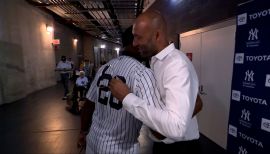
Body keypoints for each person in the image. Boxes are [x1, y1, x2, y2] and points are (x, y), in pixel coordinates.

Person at [109, 10, 201, 154]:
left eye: (138, 38)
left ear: (157, 35)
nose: (134, 43)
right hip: (163, 144)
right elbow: (196, 101)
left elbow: (177, 127)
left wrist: (127, 98)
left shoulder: (175, 64)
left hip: (180, 147)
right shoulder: (156, 61)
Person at [77, 27, 163, 154]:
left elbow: (88, 105)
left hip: (93, 142)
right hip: (120, 149)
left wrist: (83, 132)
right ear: (136, 42)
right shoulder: (143, 74)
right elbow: (158, 131)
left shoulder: (104, 68)